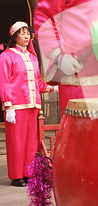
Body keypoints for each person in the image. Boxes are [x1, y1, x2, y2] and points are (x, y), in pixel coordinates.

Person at [0, 22, 57, 187]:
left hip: (32, 105)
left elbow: (38, 83)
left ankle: (28, 173)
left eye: (28, 33)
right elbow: (5, 82)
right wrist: (8, 104)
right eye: (22, 33)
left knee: (31, 142)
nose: (26, 36)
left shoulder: (33, 57)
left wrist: (53, 88)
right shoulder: (6, 56)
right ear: (15, 36)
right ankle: (16, 175)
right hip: (16, 106)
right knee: (16, 142)